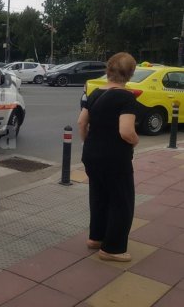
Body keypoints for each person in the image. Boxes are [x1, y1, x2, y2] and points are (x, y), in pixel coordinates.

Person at [77, 52, 139, 262]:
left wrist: (90, 143)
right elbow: (126, 131)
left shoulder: (95, 93)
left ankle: (96, 238)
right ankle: (112, 248)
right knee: (122, 200)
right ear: (130, 74)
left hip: (91, 155)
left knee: (99, 196)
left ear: (108, 70)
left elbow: (81, 123)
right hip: (114, 158)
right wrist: (136, 140)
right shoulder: (126, 97)